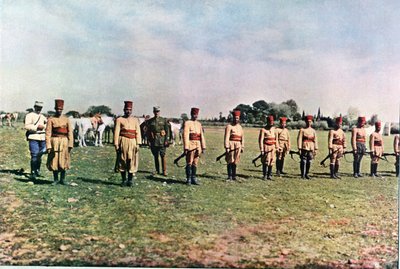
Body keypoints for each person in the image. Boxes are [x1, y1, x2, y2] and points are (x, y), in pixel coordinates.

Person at [45, 99, 74, 185]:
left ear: (62, 110)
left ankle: (62, 179)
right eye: (58, 109)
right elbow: (48, 133)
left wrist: (70, 144)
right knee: (55, 159)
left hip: (64, 141)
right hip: (54, 141)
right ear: (55, 109)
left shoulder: (66, 119)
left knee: (64, 159)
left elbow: (70, 132)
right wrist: (48, 145)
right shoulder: (51, 119)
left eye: (61, 109)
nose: (59, 111)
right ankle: (55, 179)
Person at [114, 101, 142, 187]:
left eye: (130, 110)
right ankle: (123, 180)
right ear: (124, 110)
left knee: (132, 161)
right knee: (122, 160)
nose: (128, 111)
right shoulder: (119, 120)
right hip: (123, 141)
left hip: (133, 141)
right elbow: (116, 132)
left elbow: (138, 132)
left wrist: (138, 143)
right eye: (127, 109)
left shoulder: (135, 120)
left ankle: (130, 180)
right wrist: (116, 144)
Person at [183, 107, 206, 185]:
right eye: (194, 114)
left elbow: (201, 136)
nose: (195, 116)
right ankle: (188, 179)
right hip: (190, 145)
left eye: (196, 115)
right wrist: (186, 147)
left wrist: (203, 147)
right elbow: (185, 135)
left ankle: (193, 178)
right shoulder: (187, 123)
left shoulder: (199, 124)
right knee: (189, 162)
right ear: (191, 114)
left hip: (198, 146)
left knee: (195, 163)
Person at [25, 101, 47, 180]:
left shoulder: (43, 116)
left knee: (40, 155)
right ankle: (33, 172)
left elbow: (47, 124)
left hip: (42, 137)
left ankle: (38, 170)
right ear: (34, 107)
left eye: (40, 108)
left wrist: (44, 126)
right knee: (34, 155)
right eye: (37, 107)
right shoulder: (29, 115)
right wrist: (37, 127)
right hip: (34, 137)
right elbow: (27, 126)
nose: (39, 109)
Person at [147, 106, 171, 176]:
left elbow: (167, 131)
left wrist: (166, 140)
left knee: (163, 155)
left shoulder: (163, 120)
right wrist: (148, 140)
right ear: (153, 112)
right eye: (155, 111)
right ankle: (157, 170)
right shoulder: (150, 121)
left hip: (162, 140)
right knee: (155, 156)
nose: (156, 113)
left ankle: (164, 171)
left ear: (159, 112)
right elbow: (148, 131)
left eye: (157, 111)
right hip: (153, 140)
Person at [224, 110, 244, 181]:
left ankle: (234, 175)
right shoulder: (229, 126)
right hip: (231, 144)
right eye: (235, 118)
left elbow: (242, 138)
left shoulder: (240, 127)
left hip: (238, 145)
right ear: (233, 118)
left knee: (235, 160)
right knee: (230, 160)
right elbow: (226, 137)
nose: (236, 119)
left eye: (237, 118)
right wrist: (227, 147)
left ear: (239, 118)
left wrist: (242, 146)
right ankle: (229, 176)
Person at [297, 115, 318, 179]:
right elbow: (299, 139)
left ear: (312, 122)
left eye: (310, 121)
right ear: (305, 122)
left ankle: (307, 174)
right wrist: (299, 148)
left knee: (309, 161)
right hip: (304, 146)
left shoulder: (313, 131)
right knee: (303, 161)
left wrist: (316, 148)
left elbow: (315, 140)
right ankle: (302, 174)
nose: (309, 123)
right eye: (308, 121)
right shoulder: (302, 130)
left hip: (311, 147)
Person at [259, 115, 278, 180]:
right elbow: (261, 140)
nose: (271, 123)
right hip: (266, 147)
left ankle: (269, 175)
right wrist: (262, 149)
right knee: (266, 161)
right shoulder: (263, 130)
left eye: (272, 122)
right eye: (270, 122)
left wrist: (277, 147)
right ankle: (264, 175)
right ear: (267, 122)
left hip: (273, 147)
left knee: (272, 161)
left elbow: (276, 139)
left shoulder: (275, 129)